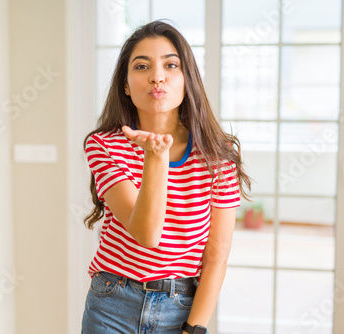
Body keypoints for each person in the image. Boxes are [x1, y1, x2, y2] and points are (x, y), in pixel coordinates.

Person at [81, 19, 252, 334]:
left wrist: (195, 327)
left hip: (181, 307)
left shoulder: (217, 153)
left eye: (170, 65)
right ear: (126, 85)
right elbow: (146, 234)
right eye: (142, 66)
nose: (157, 76)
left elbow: (217, 253)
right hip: (111, 304)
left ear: (187, 79)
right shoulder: (104, 145)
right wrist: (156, 156)